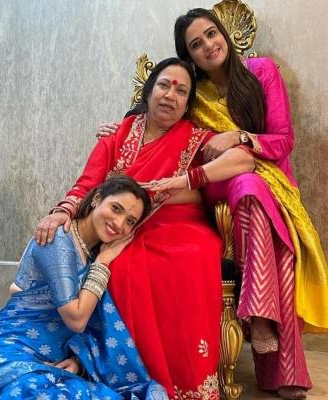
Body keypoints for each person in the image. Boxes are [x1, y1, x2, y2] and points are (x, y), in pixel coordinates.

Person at [34, 58, 257, 398]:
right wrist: (62, 211)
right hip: (129, 227)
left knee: (188, 261)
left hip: (185, 227)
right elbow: (87, 184)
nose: (170, 95)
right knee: (121, 265)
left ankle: (187, 383)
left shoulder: (197, 139)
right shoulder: (117, 136)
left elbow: (246, 160)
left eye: (181, 91)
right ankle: (120, 370)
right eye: (164, 85)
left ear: (188, 103)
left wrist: (188, 179)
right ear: (149, 90)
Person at [172, 9, 328, 399]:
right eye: (196, 44)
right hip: (219, 184)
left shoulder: (261, 72)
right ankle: (266, 334)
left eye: (211, 34)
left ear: (223, 33)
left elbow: (283, 140)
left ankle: (267, 333)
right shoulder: (194, 93)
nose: (209, 46)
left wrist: (239, 137)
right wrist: (123, 124)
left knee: (276, 236)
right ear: (189, 57)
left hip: (269, 183)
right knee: (245, 183)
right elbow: (157, 103)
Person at [0, 176, 170, 400]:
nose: (119, 223)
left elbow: (95, 328)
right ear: (96, 199)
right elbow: (76, 319)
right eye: (116, 208)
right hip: (14, 347)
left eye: (130, 221)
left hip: (52, 361)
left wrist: (78, 362)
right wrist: (103, 263)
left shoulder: (92, 251)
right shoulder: (59, 240)